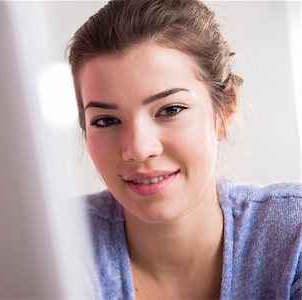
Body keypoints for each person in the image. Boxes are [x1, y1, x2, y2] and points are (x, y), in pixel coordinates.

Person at [67, 0, 302, 299]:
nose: (138, 149)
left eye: (170, 109)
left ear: (225, 111)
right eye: (106, 120)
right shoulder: (58, 244)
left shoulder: (293, 237)